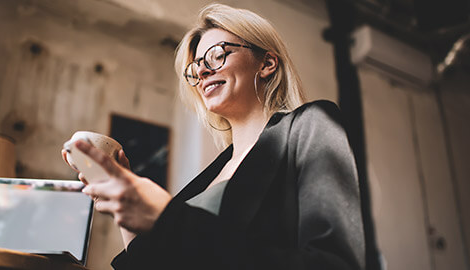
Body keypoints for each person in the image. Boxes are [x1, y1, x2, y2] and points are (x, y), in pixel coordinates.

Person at [63, 3, 365, 270]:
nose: (203, 72)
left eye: (218, 55)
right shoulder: (206, 178)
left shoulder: (312, 124)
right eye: (196, 68)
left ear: (267, 63)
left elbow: (334, 263)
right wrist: (125, 205)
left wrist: (167, 218)